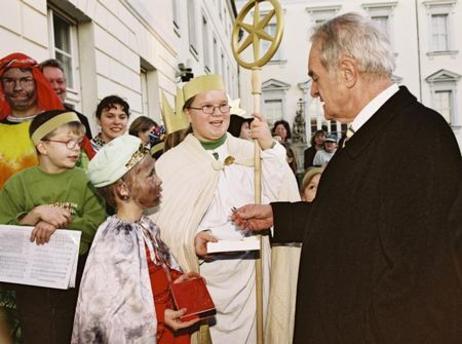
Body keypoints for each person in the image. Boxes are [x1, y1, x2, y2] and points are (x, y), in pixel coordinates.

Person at [232, 12, 462, 343]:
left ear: (348, 73)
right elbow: (350, 216)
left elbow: (419, 280)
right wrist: (278, 216)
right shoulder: (374, 129)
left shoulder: (418, 136)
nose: (312, 90)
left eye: (315, 77)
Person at [150, 74, 300, 343]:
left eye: (223, 106)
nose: (217, 114)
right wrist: (189, 241)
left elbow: (285, 194)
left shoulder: (251, 154)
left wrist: (269, 146)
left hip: (250, 277)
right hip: (203, 278)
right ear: (188, 113)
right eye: (207, 107)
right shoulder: (170, 164)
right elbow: (158, 231)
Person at [72, 135, 205, 343]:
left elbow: (156, 269)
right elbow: (110, 309)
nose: (159, 180)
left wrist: (177, 280)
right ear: (123, 189)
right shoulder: (113, 240)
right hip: (154, 329)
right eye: (150, 175)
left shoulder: (145, 225)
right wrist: (160, 316)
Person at [0, 109, 106, 344]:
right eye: (67, 142)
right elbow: (3, 229)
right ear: (42, 146)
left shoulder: (86, 181)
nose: (75, 148)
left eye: (78, 142)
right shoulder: (19, 184)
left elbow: (98, 225)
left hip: (77, 280)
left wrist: (58, 227)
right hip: (32, 284)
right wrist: (34, 215)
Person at [0, 52, 64, 188]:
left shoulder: (57, 126)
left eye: (25, 80)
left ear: (37, 83)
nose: (17, 87)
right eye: (9, 81)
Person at [39, 58, 93, 139]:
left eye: (60, 81)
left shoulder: (80, 119)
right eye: (49, 82)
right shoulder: (31, 118)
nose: (56, 86)